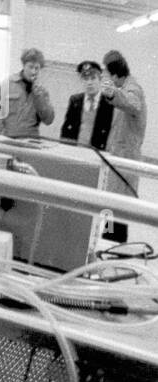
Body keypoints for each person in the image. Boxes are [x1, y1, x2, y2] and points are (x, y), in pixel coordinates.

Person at [98, 49, 147, 241]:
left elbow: (133, 104)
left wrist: (113, 94)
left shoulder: (133, 88)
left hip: (125, 160)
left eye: (109, 76)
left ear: (116, 75)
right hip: (117, 157)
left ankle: (115, 245)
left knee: (117, 207)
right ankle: (110, 241)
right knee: (111, 205)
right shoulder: (126, 87)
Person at [0, 48, 54, 137]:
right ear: (24, 65)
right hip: (7, 138)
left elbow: (48, 120)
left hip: (31, 140)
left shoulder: (42, 92)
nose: (33, 71)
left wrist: (40, 98)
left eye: (37, 68)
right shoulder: (8, 84)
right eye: (30, 67)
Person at [60, 60, 113, 148]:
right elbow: (66, 129)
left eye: (93, 78)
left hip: (97, 153)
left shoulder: (108, 103)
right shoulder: (75, 101)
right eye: (86, 79)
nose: (89, 83)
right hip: (75, 151)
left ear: (100, 79)